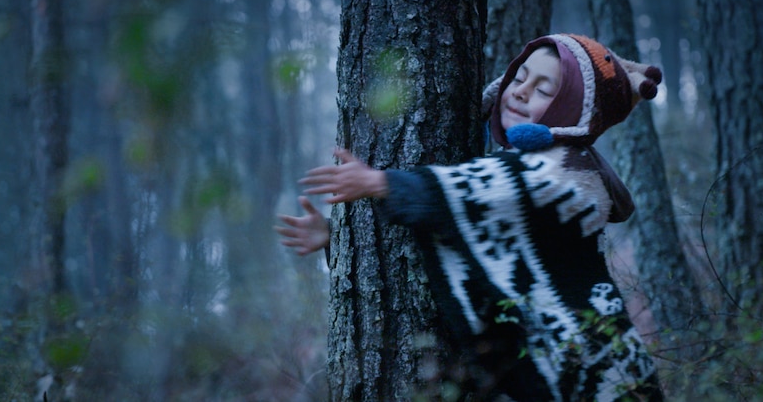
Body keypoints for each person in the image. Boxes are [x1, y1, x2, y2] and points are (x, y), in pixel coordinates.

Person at [277, 34, 664, 401]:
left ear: (573, 109)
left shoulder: (571, 171)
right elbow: (467, 241)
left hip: (605, 376)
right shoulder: (522, 165)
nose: (521, 91)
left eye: (545, 90)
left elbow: (485, 192)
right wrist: (340, 240)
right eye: (519, 77)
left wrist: (383, 182)